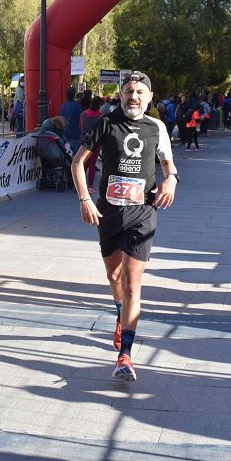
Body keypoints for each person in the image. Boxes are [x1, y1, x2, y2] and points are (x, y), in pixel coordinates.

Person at [70, 72, 177, 382]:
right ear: (119, 94)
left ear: (149, 97)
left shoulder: (156, 127)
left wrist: (171, 179)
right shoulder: (106, 123)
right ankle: (120, 314)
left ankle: (125, 356)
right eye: (128, 90)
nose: (133, 96)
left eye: (140, 91)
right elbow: (78, 163)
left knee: (132, 281)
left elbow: (168, 164)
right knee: (113, 275)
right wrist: (85, 199)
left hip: (144, 212)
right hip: (109, 212)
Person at [80, 96, 103, 192]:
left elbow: (80, 126)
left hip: (84, 141)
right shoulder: (100, 117)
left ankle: (80, 185)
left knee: (83, 164)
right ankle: (90, 187)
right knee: (92, 165)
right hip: (95, 143)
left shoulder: (83, 114)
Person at [59, 86, 83, 153]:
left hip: (64, 133)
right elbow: (81, 120)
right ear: (74, 95)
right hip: (75, 134)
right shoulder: (77, 106)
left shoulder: (63, 106)